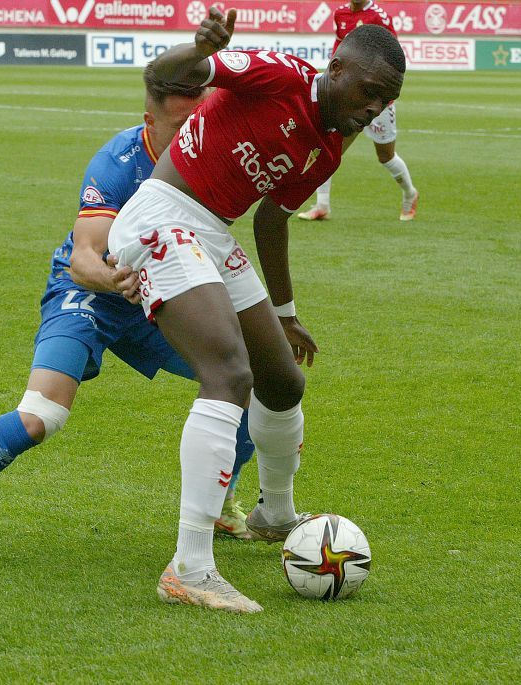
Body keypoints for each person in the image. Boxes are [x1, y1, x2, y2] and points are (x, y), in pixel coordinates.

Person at [106, 10, 404, 613]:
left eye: (387, 102)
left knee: (282, 380)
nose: (374, 110)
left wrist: (286, 313)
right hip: (162, 215)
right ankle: (189, 567)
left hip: (213, 233)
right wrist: (200, 48)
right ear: (336, 68)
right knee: (229, 376)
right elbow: (164, 75)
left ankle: (275, 513)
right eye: (369, 92)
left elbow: (271, 219)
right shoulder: (277, 75)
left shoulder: (327, 148)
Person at [0, 73, 259, 566]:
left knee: (250, 386)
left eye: (198, 121)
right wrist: (113, 281)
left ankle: (220, 505)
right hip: (91, 292)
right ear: (149, 121)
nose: (191, 134)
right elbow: (84, 257)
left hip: (157, 294)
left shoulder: (209, 154)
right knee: (41, 417)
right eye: (180, 124)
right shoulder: (119, 162)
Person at [297, 0, 418, 223]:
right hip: (350, 99)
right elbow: (339, 47)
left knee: (386, 157)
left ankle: (410, 193)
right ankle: (322, 205)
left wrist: (385, 99)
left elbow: (393, 59)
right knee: (327, 149)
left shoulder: (378, 17)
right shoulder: (340, 13)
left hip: (377, 102)